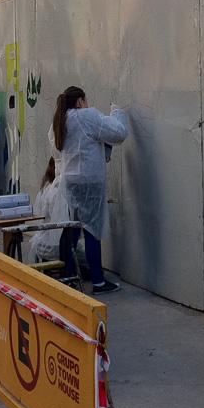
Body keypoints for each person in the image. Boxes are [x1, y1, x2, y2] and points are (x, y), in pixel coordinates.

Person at [49, 86, 128, 294]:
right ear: (79, 101)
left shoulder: (61, 119)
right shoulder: (86, 116)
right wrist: (117, 113)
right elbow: (119, 133)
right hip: (90, 182)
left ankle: (67, 276)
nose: (88, 104)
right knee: (92, 230)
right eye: (86, 100)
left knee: (72, 228)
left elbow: (59, 144)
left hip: (70, 182)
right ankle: (99, 282)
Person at [30, 157, 74, 263]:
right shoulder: (57, 190)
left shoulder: (45, 186)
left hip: (40, 242)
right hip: (54, 245)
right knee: (84, 255)